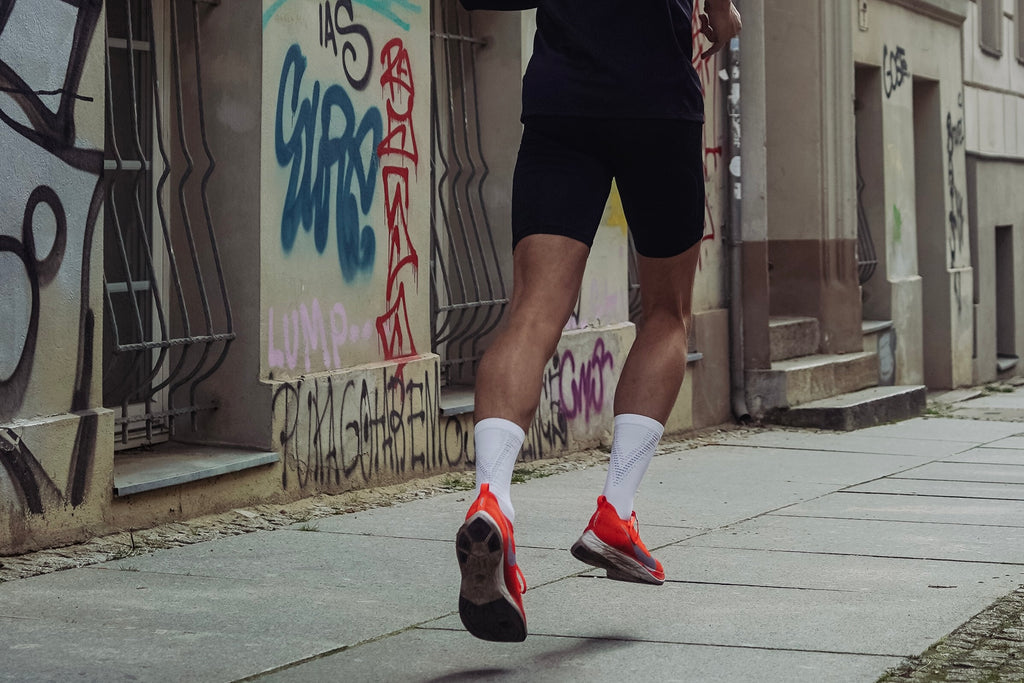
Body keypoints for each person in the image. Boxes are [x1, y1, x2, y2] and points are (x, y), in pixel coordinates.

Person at [453, 0, 743, 643]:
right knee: (666, 314)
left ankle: (491, 496)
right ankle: (616, 511)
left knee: (532, 313)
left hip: (563, 98)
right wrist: (723, 12)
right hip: (656, 99)